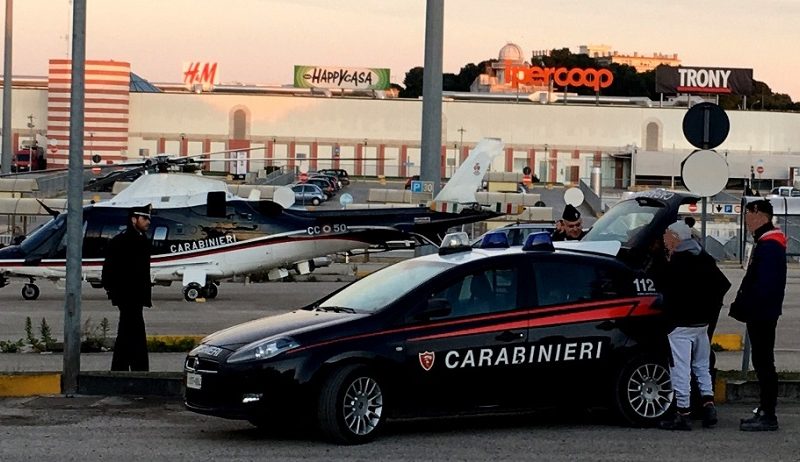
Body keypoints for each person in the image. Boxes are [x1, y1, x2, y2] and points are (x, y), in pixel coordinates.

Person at [658, 220, 729, 431]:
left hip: (680, 324)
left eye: (667, 237)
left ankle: (683, 413)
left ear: (676, 238)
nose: (664, 241)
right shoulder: (704, 258)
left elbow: (665, 290)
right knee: (701, 365)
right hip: (702, 323)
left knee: (680, 368)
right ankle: (708, 406)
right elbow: (722, 285)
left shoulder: (678, 261)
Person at [730, 199, 786, 431]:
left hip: (762, 313)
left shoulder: (770, 245)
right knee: (762, 361)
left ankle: (768, 414)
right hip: (762, 312)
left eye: (747, 214)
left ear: (757, 214)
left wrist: (751, 307)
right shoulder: (767, 242)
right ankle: (764, 410)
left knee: (764, 363)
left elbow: (765, 284)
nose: (745, 220)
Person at [102, 204, 153, 372]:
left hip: (136, 296)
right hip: (127, 296)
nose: (148, 222)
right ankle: (136, 369)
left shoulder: (142, 239)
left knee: (128, 333)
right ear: (134, 219)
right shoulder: (121, 241)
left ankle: (122, 368)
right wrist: (114, 291)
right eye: (144, 218)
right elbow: (109, 270)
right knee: (134, 333)